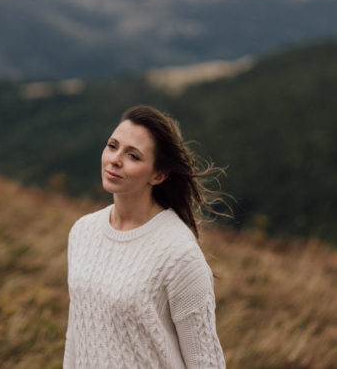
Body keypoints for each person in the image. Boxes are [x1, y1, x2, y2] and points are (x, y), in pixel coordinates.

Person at [63, 105, 226, 368]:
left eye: (133, 156)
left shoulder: (179, 254)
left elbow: (205, 361)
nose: (115, 159)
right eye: (112, 146)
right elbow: (77, 333)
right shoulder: (83, 231)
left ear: (159, 175)